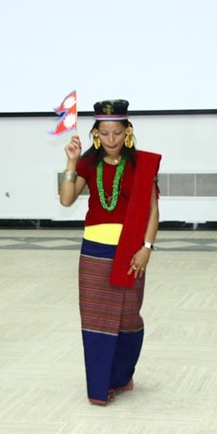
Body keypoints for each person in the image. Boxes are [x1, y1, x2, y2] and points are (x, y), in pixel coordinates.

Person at [61, 99, 161, 405]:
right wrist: (70, 162)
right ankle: (100, 386)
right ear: (95, 134)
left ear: (127, 132)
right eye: (104, 134)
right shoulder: (88, 164)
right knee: (96, 320)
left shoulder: (141, 165)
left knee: (128, 319)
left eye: (117, 133)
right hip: (94, 252)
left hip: (131, 250)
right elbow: (66, 200)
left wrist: (146, 248)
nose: (111, 140)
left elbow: (153, 211)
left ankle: (122, 375)